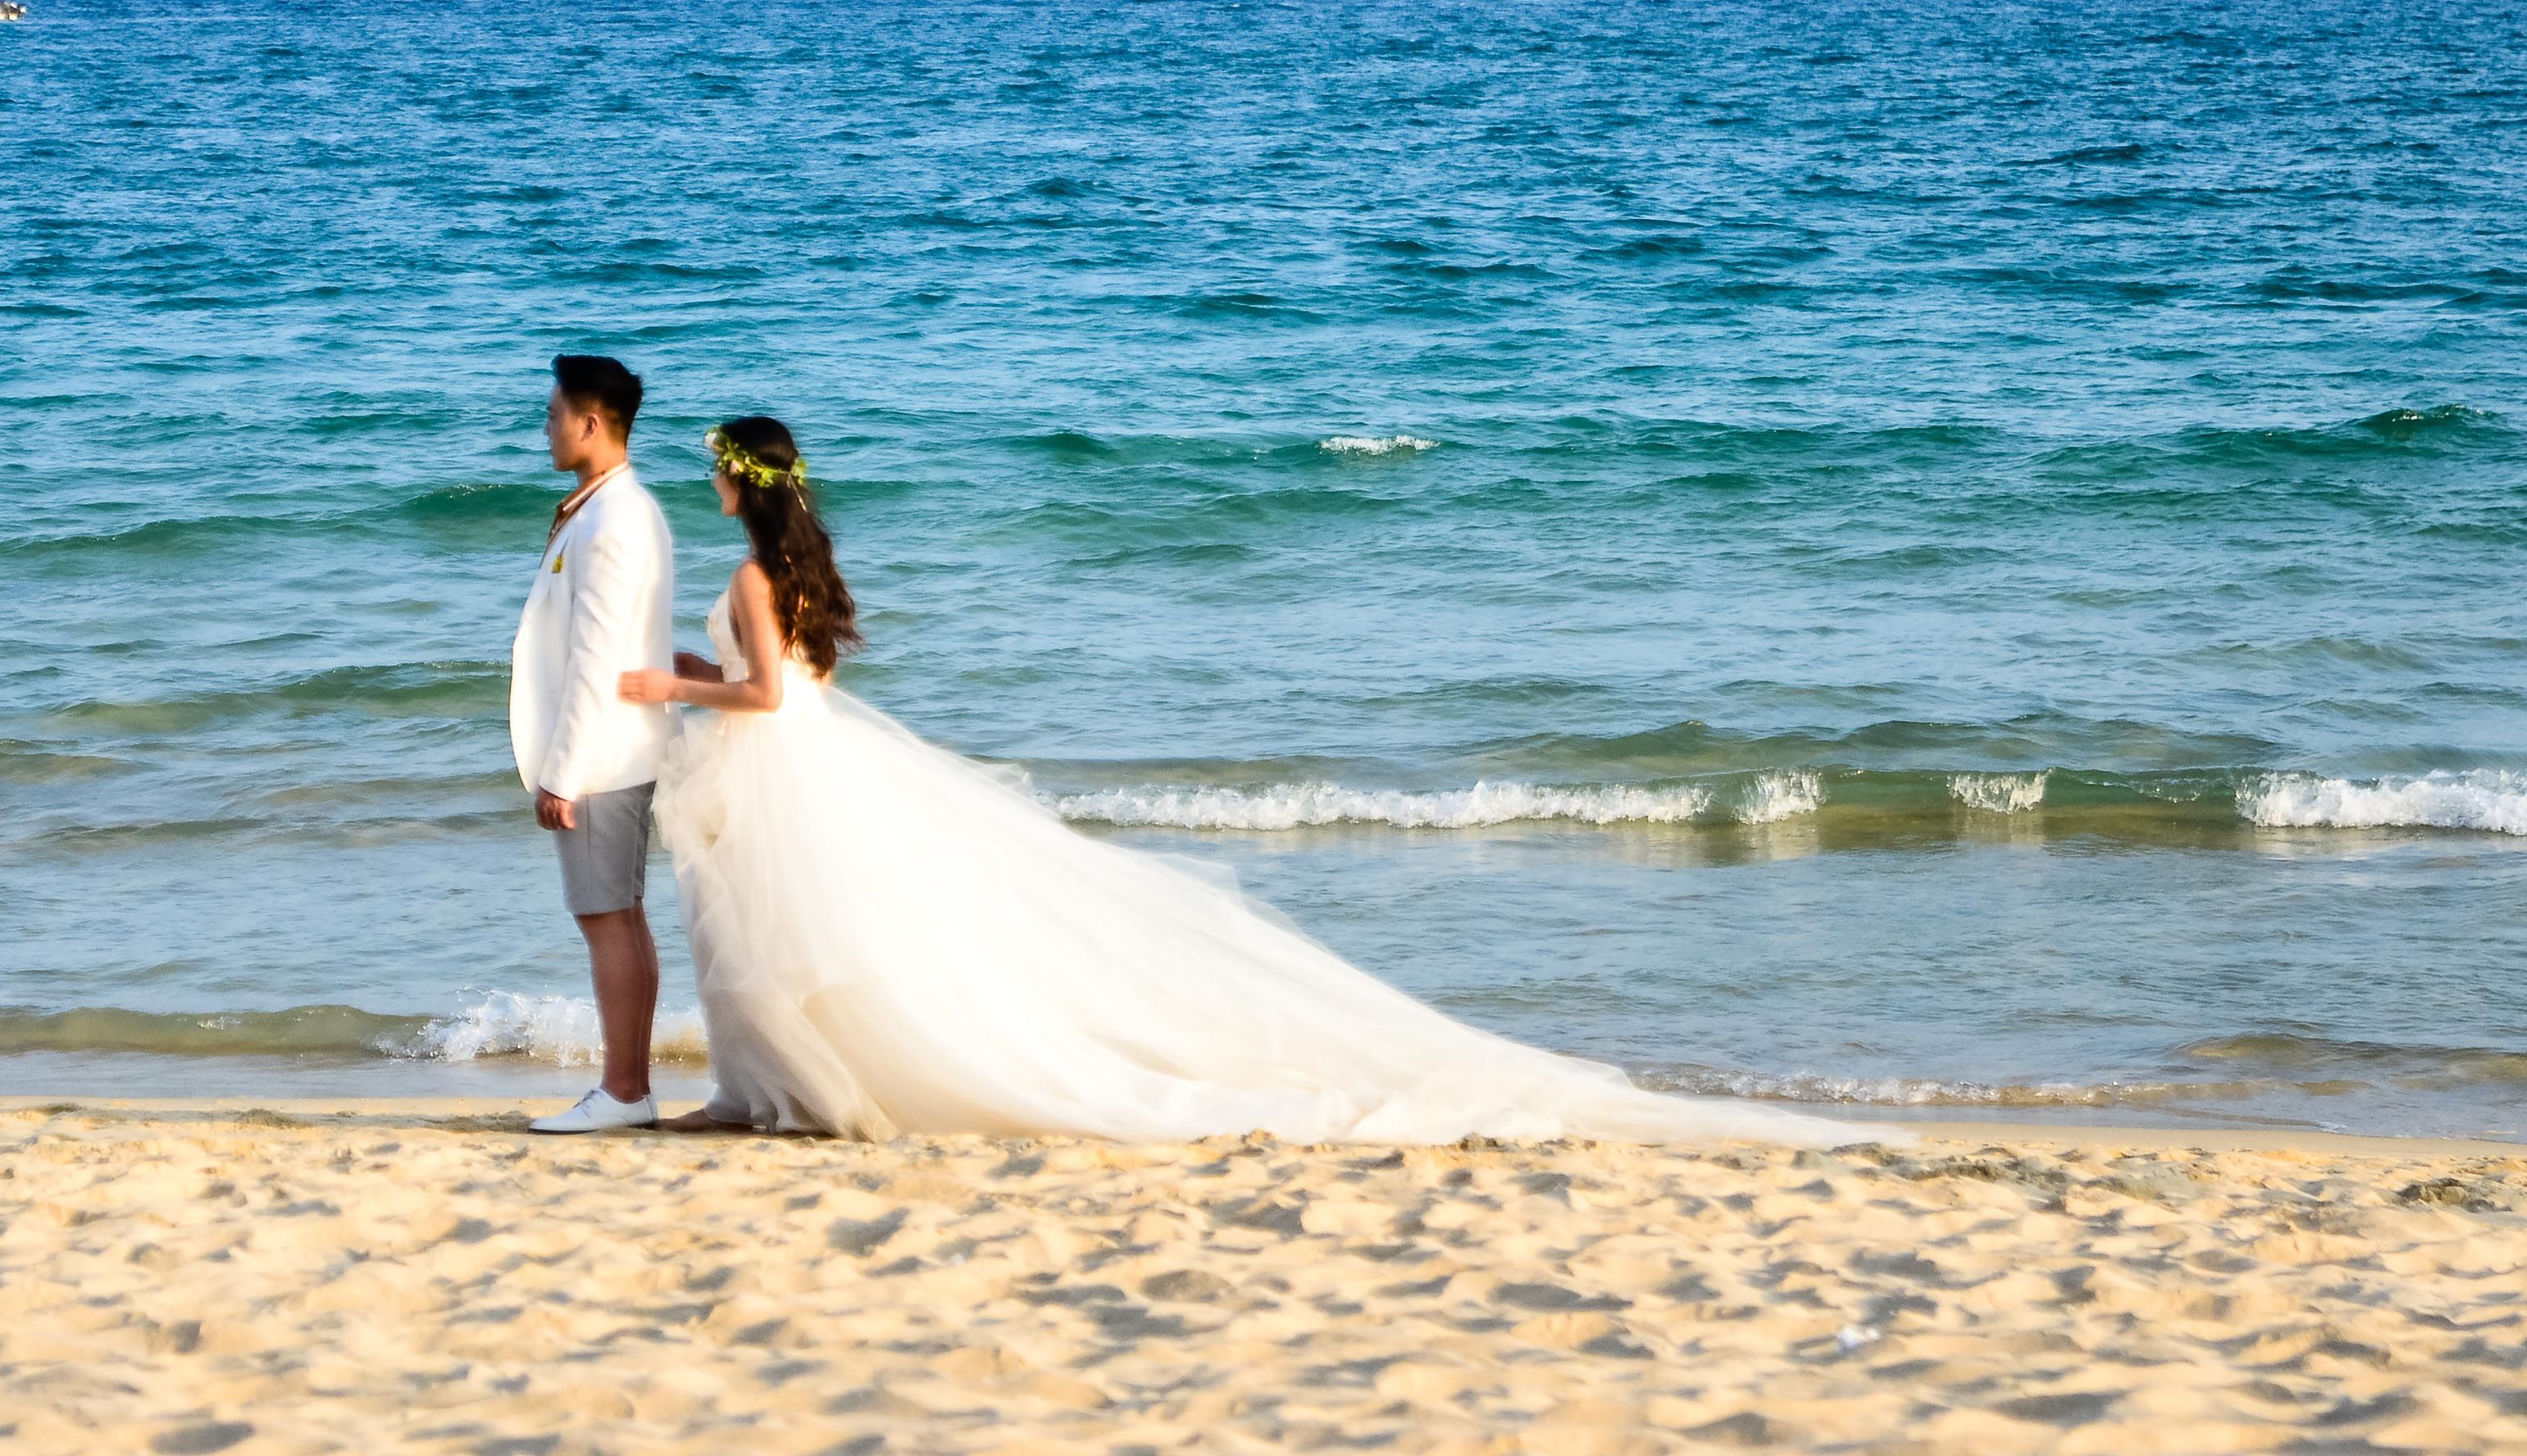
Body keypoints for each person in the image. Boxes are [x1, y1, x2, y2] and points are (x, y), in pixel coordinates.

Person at [622, 415, 1878, 1148]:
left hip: (774, 766)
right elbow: (800, 679)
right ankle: (773, 1091)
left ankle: (762, 1097)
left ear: (744, 479)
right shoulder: (795, 573)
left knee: (762, 937)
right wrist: (708, 666)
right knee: (798, 940)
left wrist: (670, 689)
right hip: (813, 769)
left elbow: (770, 696)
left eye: (720, 466)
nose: (713, 480)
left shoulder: (746, 577)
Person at [507, 353, 676, 1135]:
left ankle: (623, 1090)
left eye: (552, 415)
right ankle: (628, 1088)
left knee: (607, 917)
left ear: (591, 422)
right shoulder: (606, 506)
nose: (544, 428)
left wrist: (562, 774)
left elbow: (597, 660)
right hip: (615, 749)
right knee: (619, 915)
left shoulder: (615, 518)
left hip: (603, 754)